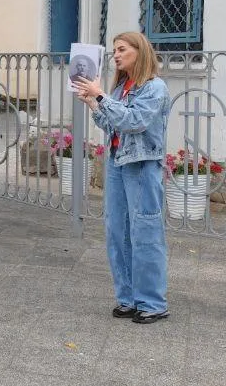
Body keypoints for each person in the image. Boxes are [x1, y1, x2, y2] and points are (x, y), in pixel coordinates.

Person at [72, 32, 172, 325]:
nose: (115, 55)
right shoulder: (121, 88)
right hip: (117, 164)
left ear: (139, 51)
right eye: (114, 50)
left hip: (141, 166)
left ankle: (152, 302)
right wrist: (93, 103)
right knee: (117, 231)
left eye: (122, 49)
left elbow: (134, 122)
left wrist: (101, 95)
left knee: (145, 232)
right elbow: (112, 125)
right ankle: (127, 299)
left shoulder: (155, 88)